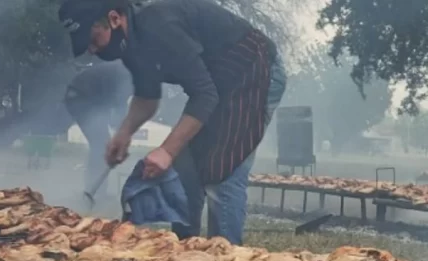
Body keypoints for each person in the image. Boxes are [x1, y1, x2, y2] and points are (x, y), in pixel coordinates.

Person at [58, 0, 287, 245]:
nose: (92, 50)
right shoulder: (133, 45)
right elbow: (147, 97)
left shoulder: (159, 26)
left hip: (252, 70)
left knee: (223, 170)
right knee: (185, 167)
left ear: (114, 18)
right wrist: (124, 133)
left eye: (93, 40)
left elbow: (204, 95)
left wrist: (166, 150)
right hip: (218, 85)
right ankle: (185, 252)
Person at [64, 61, 131, 199]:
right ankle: (95, 191)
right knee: (101, 144)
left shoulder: (127, 71)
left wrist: (122, 132)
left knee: (102, 143)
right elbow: (119, 100)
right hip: (81, 97)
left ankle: (96, 190)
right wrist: (122, 133)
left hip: (91, 98)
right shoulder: (128, 71)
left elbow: (119, 103)